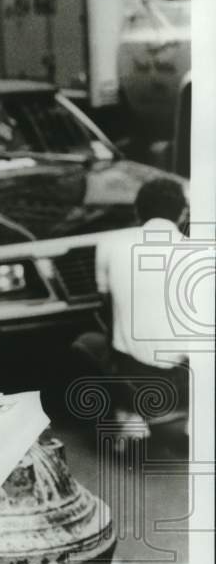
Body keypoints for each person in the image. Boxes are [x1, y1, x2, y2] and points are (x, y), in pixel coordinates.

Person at [70, 178, 192, 435]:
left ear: (138, 211)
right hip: (188, 379)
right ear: (183, 214)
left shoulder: (110, 244)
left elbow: (106, 305)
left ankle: (127, 413)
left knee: (87, 342)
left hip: (136, 377)